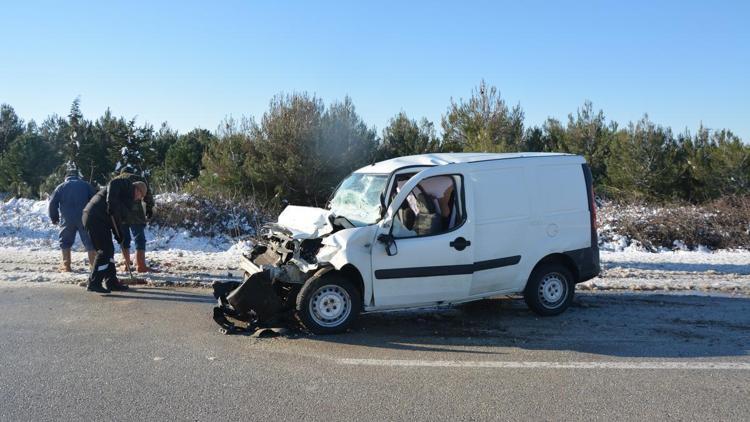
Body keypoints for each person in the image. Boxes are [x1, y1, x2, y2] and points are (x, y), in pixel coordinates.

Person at [82, 177, 148, 293]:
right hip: (95, 217)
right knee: (104, 251)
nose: (139, 199)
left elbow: (115, 219)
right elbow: (114, 182)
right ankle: (94, 282)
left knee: (109, 251)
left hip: (101, 220)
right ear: (137, 190)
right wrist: (110, 201)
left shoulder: (126, 201)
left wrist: (119, 234)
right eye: (140, 196)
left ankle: (111, 282)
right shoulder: (127, 186)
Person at [48, 166, 97, 272]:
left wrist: (54, 217)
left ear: (66, 177)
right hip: (84, 217)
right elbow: (95, 200)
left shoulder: (60, 187)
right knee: (89, 241)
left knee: (65, 241)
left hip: (67, 219)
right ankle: (93, 266)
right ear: (77, 176)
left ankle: (67, 266)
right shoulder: (86, 185)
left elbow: (52, 203)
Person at [115, 167, 155, 273]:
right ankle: (140, 265)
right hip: (135, 212)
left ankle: (126, 265)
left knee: (124, 239)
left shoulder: (116, 180)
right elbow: (147, 195)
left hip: (120, 213)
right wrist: (149, 208)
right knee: (139, 238)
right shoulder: (138, 178)